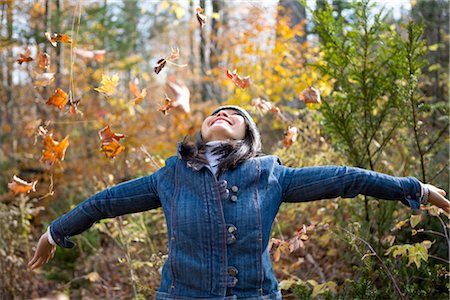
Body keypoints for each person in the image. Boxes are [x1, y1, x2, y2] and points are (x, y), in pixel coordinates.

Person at [29, 105, 449, 300]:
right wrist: (54, 231)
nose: (221, 114)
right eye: (214, 113)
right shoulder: (169, 177)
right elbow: (104, 203)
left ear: (248, 135)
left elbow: (346, 179)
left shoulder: (271, 176)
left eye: (233, 114)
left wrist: (414, 189)